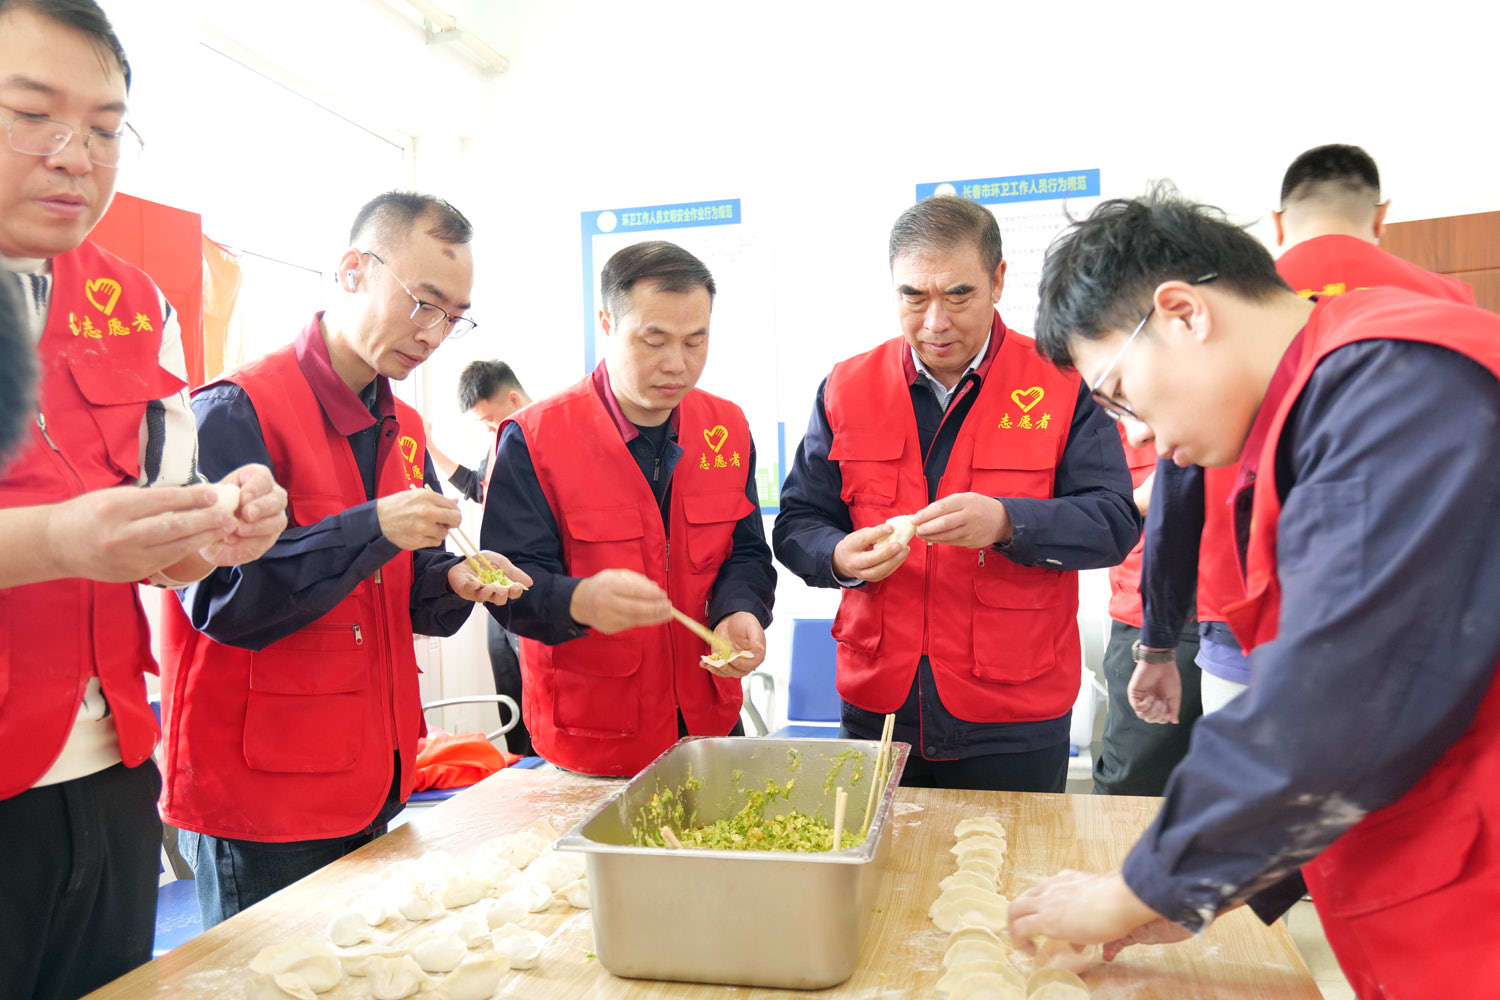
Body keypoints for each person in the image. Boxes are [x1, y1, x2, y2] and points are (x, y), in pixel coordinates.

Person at [1008, 183, 1500, 999]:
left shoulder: (1396, 388)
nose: (1136, 433)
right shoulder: (1303, 413)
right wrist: (1199, 888)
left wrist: (1133, 888)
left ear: (1183, 313)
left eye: (1120, 395)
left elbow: (1332, 703)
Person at [0, 3, 288, 996]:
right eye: (31, 114)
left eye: (106, 128)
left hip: (112, 769)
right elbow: (75, 536)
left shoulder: (132, 301)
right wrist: (53, 540)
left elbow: (163, 542)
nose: (74, 156)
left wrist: (220, 529)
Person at [161, 191, 529, 927]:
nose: (434, 334)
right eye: (423, 303)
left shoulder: (403, 426)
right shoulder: (235, 410)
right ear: (353, 270)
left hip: (372, 777)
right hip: (264, 798)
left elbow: (405, 588)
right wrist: (374, 526)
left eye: (454, 317)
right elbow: (225, 602)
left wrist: (456, 578)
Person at [774, 196, 1139, 792]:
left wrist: (1006, 523)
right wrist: (837, 557)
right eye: (913, 297)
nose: (935, 322)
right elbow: (798, 522)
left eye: (958, 295)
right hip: (879, 710)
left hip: (1013, 715)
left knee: (1012, 856)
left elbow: (1114, 521)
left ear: (998, 280)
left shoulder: (1061, 381)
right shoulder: (847, 386)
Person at [1128, 144, 1479, 724]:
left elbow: (1177, 488)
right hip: (1406, 610)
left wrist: (1159, 640)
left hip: (1241, 606)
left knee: (1251, 768)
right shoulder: (1445, 303)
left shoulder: (1228, 309)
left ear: (1278, 222)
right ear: (1380, 216)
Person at [482, 241, 775, 777]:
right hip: (594, 739)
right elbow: (507, 591)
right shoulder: (536, 439)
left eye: (696, 341)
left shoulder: (726, 428)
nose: (677, 364)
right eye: (654, 340)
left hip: (707, 725)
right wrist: (580, 601)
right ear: (607, 322)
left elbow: (747, 552)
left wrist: (740, 609)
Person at [427, 359, 535, 754]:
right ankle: (520, 766)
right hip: (497, 582)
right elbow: (477, 486)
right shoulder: (500, 441)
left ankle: (543, 765)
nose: (489, 429)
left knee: (535, 691)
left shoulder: (542, 439)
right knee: (507, 680)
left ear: (513, 399)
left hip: (530, 582)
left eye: (489, 420)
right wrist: (430, 449)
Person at [1089, 424, 1202, 795]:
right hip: (1147, 614)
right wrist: (1143, 499)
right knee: (1133, 782)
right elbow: (1081, 512)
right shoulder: (1105, 423)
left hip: (1250, 613)